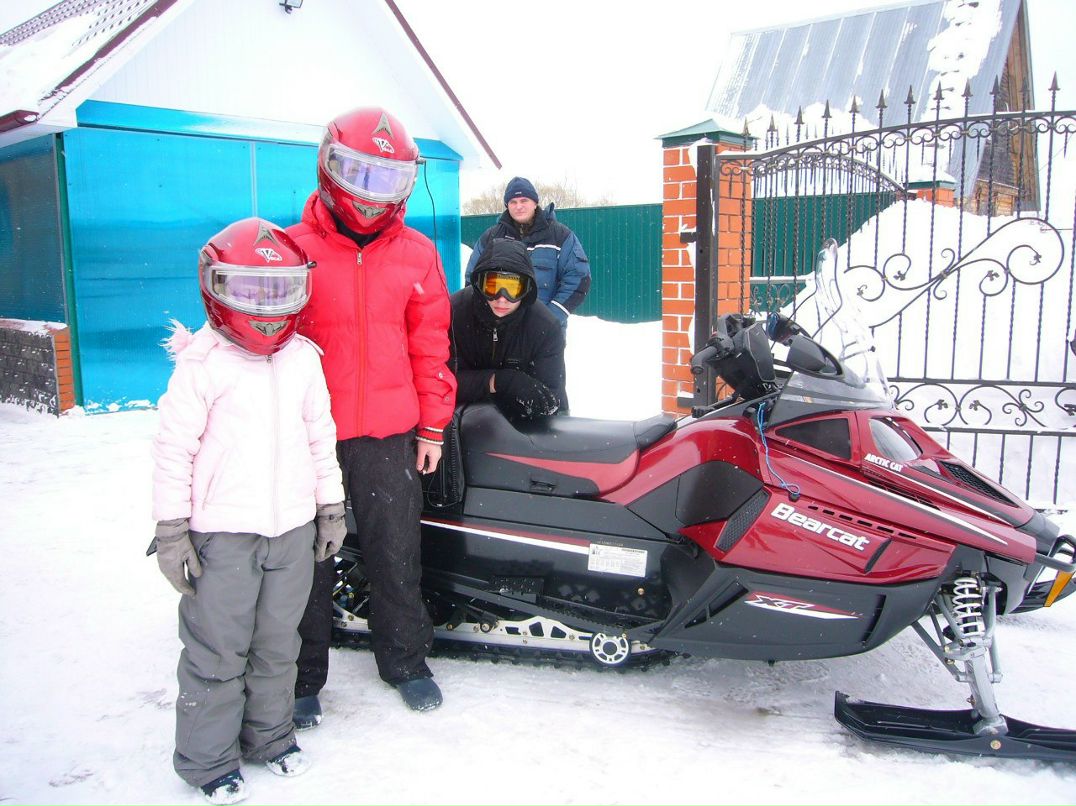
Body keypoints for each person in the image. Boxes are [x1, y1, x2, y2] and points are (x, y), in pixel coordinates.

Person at [150, 217, 346, 804]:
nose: (266, 310)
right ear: (217, 288)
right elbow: (173, 450)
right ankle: (207, 761)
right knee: (217, 648)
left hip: (291, 528)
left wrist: (329, 508)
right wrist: (171, 531)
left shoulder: (303, 359)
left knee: (278, 643)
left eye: (280, 292)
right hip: (223, 534)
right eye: (249, 291)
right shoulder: (203, 363)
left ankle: (270, 737)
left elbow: (320, 437)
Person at [287, 106, 457, 721]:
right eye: (359, 173)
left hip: (390, 432)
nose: (370, 194)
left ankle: (405, 660)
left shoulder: (416, 253)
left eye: (388, 179)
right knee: (308, 557)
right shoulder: (294, 250)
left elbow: (431, 345)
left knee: (394, 551)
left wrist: (433, 424)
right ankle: (303, 676)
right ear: (329, 169)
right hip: (312, 436)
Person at [452, 237, 565, 419]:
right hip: (458, 422)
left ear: (526, 289)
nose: (501, 298)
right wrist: (498, 381)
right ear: (479, 285)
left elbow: (551, 398)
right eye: (492, 286)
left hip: (520, 426)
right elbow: (438, 383)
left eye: (512, 288)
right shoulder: (454, 314)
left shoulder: (544, 327)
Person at [464, 176, 590, 334]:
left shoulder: (560, 237)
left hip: (544, 334)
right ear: (507, 206)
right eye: (513, 202)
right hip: (499, 333)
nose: (519, 206)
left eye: (524, 200)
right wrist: (487, 318)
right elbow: (473, 279)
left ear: (535, 203)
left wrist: (549, 318)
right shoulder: (491, 238)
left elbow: (579, 279)